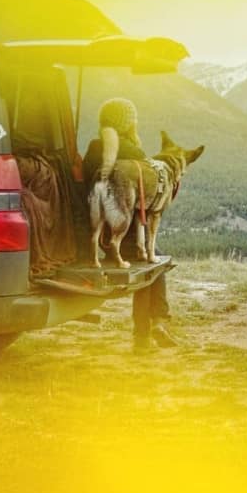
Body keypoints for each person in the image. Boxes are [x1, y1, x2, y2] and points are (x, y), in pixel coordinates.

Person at [82, 98, 179, 353]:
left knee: (150, 262)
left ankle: (150, 331)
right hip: (122, 234)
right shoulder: (135, 152)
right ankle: (151, 328)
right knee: (151, 263)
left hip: (97, 226)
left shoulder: (95, 147)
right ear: (128, 123)